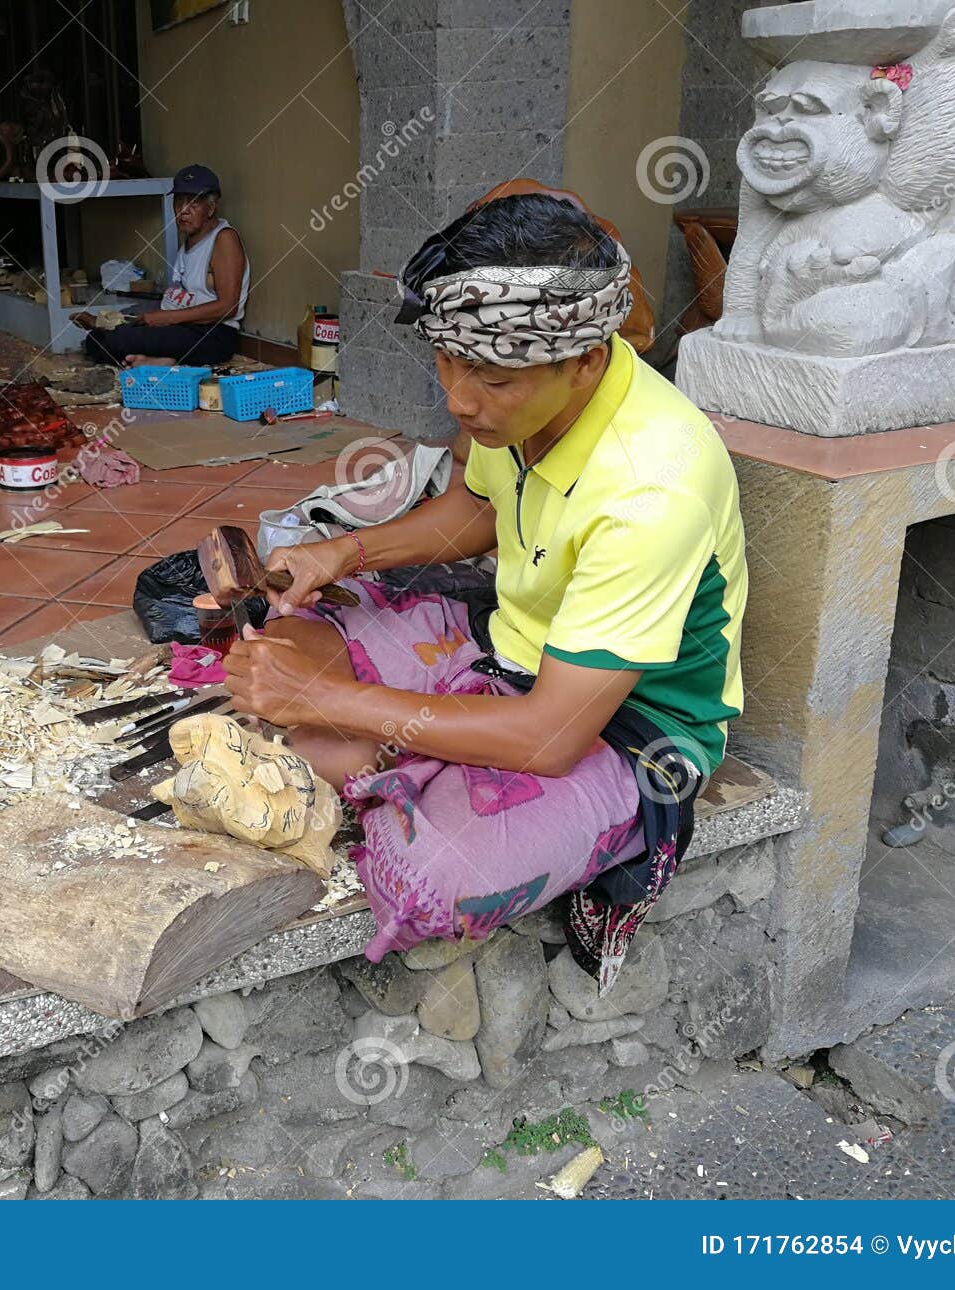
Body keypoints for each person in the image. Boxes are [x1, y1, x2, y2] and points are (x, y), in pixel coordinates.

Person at [221, 193, 749, 988]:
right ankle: (404, 763)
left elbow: (549, 737)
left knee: (443, 877)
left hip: (625, 725)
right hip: (504, 651)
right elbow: (475, 508)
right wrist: (342, 554)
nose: (460, 402)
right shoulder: (516, 402)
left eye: (493, 380)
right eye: (448, 365)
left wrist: (322, 702)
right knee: (280, 635)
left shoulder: (653, 488)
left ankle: (400, 767)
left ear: (587, 363)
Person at [78, 163, 249, 367]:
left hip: (212, 335)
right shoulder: (189, 240)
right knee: (96, 340)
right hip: (181, 327)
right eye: (178, 202)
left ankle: (161, 361)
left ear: (211, 208)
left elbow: (228, 307)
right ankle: (160, 361)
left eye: (193, 204)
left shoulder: (224, 239)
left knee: (116, 342)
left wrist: (168, 318)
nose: (183, 211)